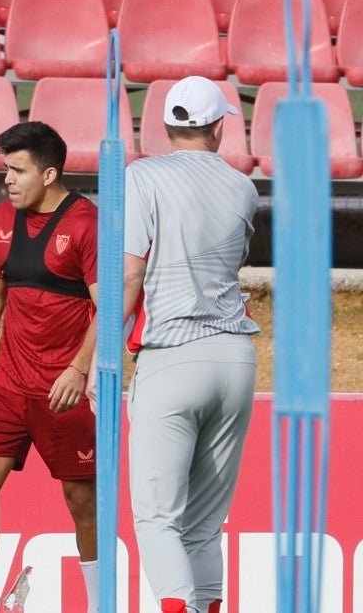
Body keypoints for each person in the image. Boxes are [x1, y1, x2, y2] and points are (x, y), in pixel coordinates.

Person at [0, 121, 100, 613]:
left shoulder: (87, 225)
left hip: (63, 390)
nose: (7, 179)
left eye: (17, 170)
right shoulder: (1, 220)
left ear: (49, 174)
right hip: (8, 383)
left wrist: (79, 370)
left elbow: (111, 307)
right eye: (5, 168)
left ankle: (101, 604)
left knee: (83, 502)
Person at [113, 76, 259, 613]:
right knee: (203, 523)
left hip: (170, 355)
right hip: (234, 357)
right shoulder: (243, 187)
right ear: (218, 126)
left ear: (166, 125)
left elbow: (131, 274)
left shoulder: (141, 175)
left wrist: (99, 355)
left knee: (157, 519)